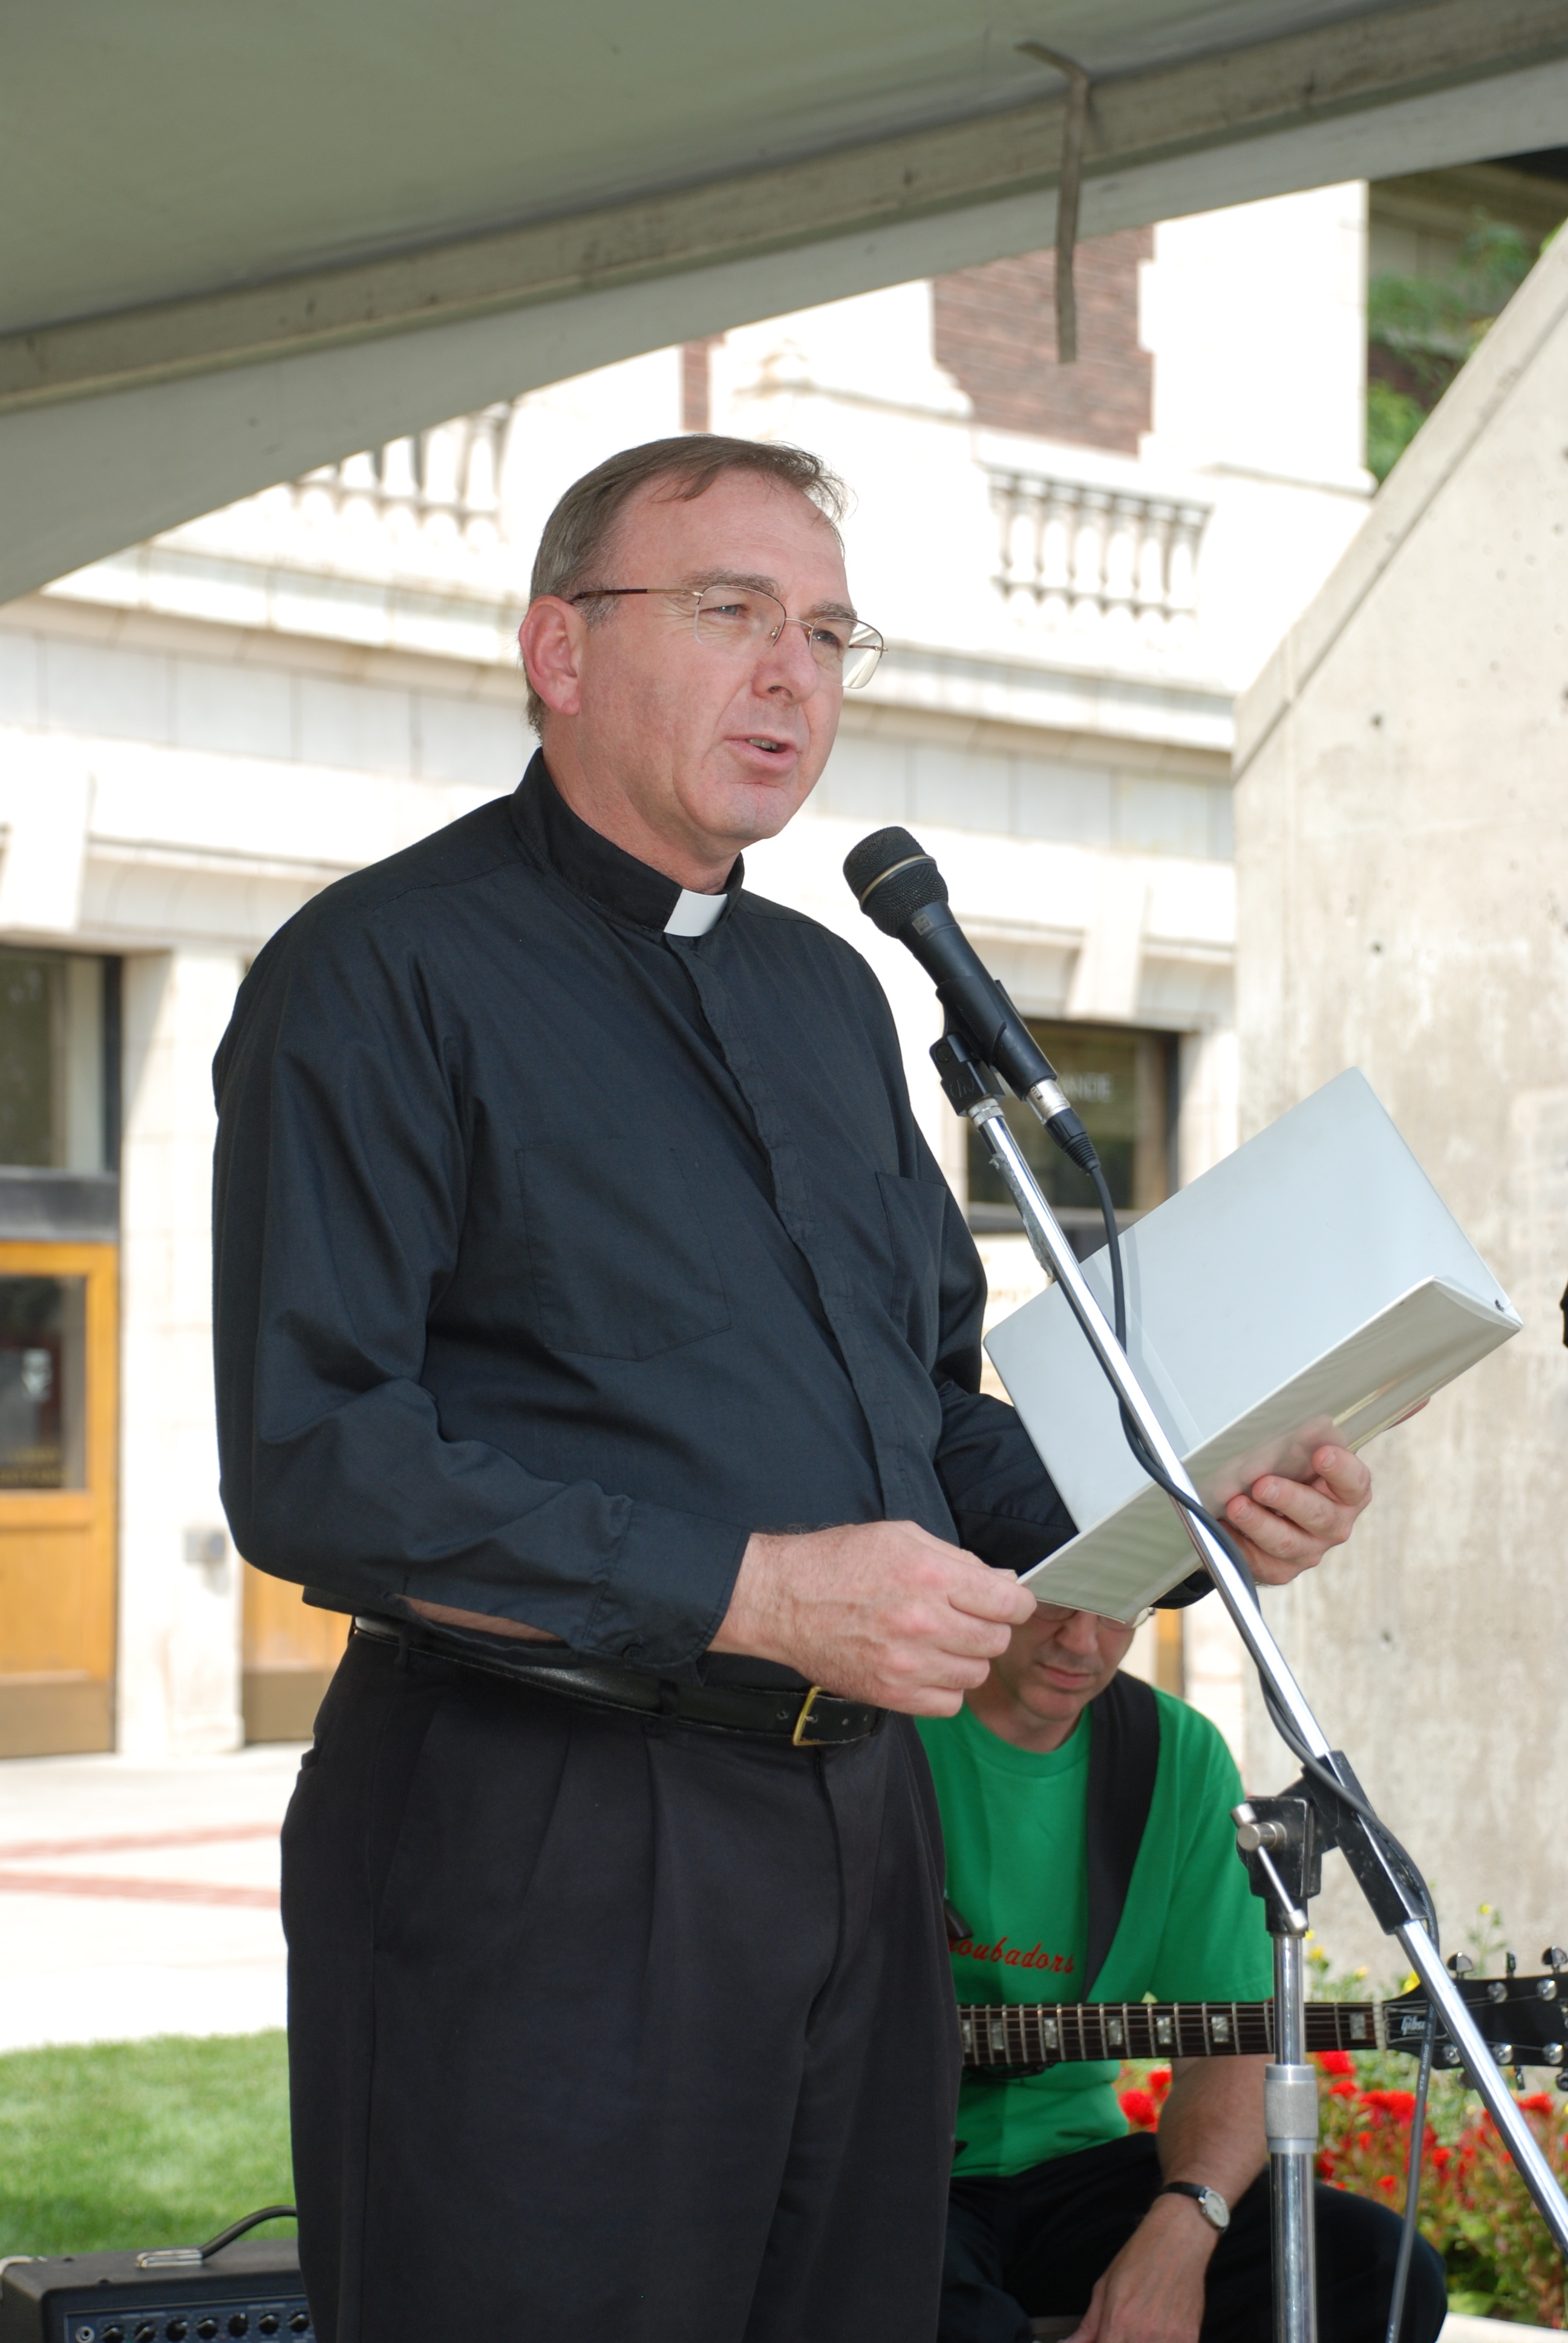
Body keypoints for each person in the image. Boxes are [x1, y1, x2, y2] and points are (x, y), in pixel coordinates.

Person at [210, 433, 1373, 2343]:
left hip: (854, 1839)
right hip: (542, 1832)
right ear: (560, 651)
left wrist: (1192, 1509)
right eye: (731, 609)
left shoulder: (832, 997)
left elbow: (935, 1423)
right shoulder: (379, 973)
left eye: (828, 632)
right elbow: (317, 1458)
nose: (791, 673)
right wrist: (752, 1592)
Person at [920, 1602, 1446, 2343]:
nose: (1081, 1641)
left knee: (1378, 2269)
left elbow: (1232, 2044)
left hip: (1077, 2166)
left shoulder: (1171, 1751)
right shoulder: (882, 1724)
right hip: (889, 2167)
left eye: (1118, 1611)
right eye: (1058, 1601)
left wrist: (1188, 2218)